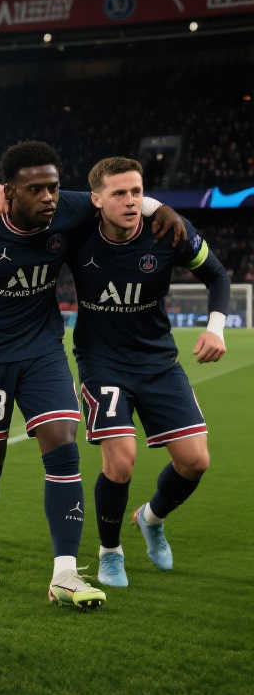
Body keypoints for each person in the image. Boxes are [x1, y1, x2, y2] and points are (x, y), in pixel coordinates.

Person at [0, 140, 184, 610]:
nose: (49, 197)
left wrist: (158, 207)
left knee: (63, 443)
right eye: (36, 189)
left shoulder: (68, 209)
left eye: (53, 187)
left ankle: (64, 573)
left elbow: (117, 196)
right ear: (8, 192)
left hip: (42, 349)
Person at [69, 157, 228, 587]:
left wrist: (215, 329)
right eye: (119, 193)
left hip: (158, 360)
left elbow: (217, 276)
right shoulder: (78, 230)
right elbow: (35, 209)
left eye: (137, 192)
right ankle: (110, 552)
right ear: (96, 199)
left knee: (195, 461)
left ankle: (151, 518)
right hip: (102, 362)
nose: (130, 201)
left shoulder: (169, 231)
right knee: (121, 462)